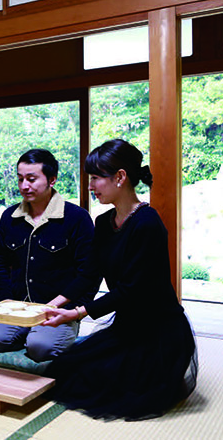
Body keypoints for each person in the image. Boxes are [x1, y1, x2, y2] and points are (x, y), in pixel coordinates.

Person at [42, 139, 198, 420]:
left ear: (120, 177)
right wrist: (54, 303)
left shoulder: (148, 224)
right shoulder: (103, 223)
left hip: (157, 332)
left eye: (96, 178)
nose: (90, 186)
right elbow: (89, 273)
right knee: (64, 369)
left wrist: (75, 314)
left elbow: (131, 291)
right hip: (127, 326)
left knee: (108, 386)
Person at [0, 149, 96, 362]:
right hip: (18, 306)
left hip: (59, 309)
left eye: (32, 179)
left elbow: (88, 271)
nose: (25, 185)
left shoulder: (77, 218)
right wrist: (6, 300)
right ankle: (26, 332)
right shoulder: (10, 216)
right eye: (21, 179)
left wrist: (71, 308)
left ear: (52, 180)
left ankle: (41, 336)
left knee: (41, 348)